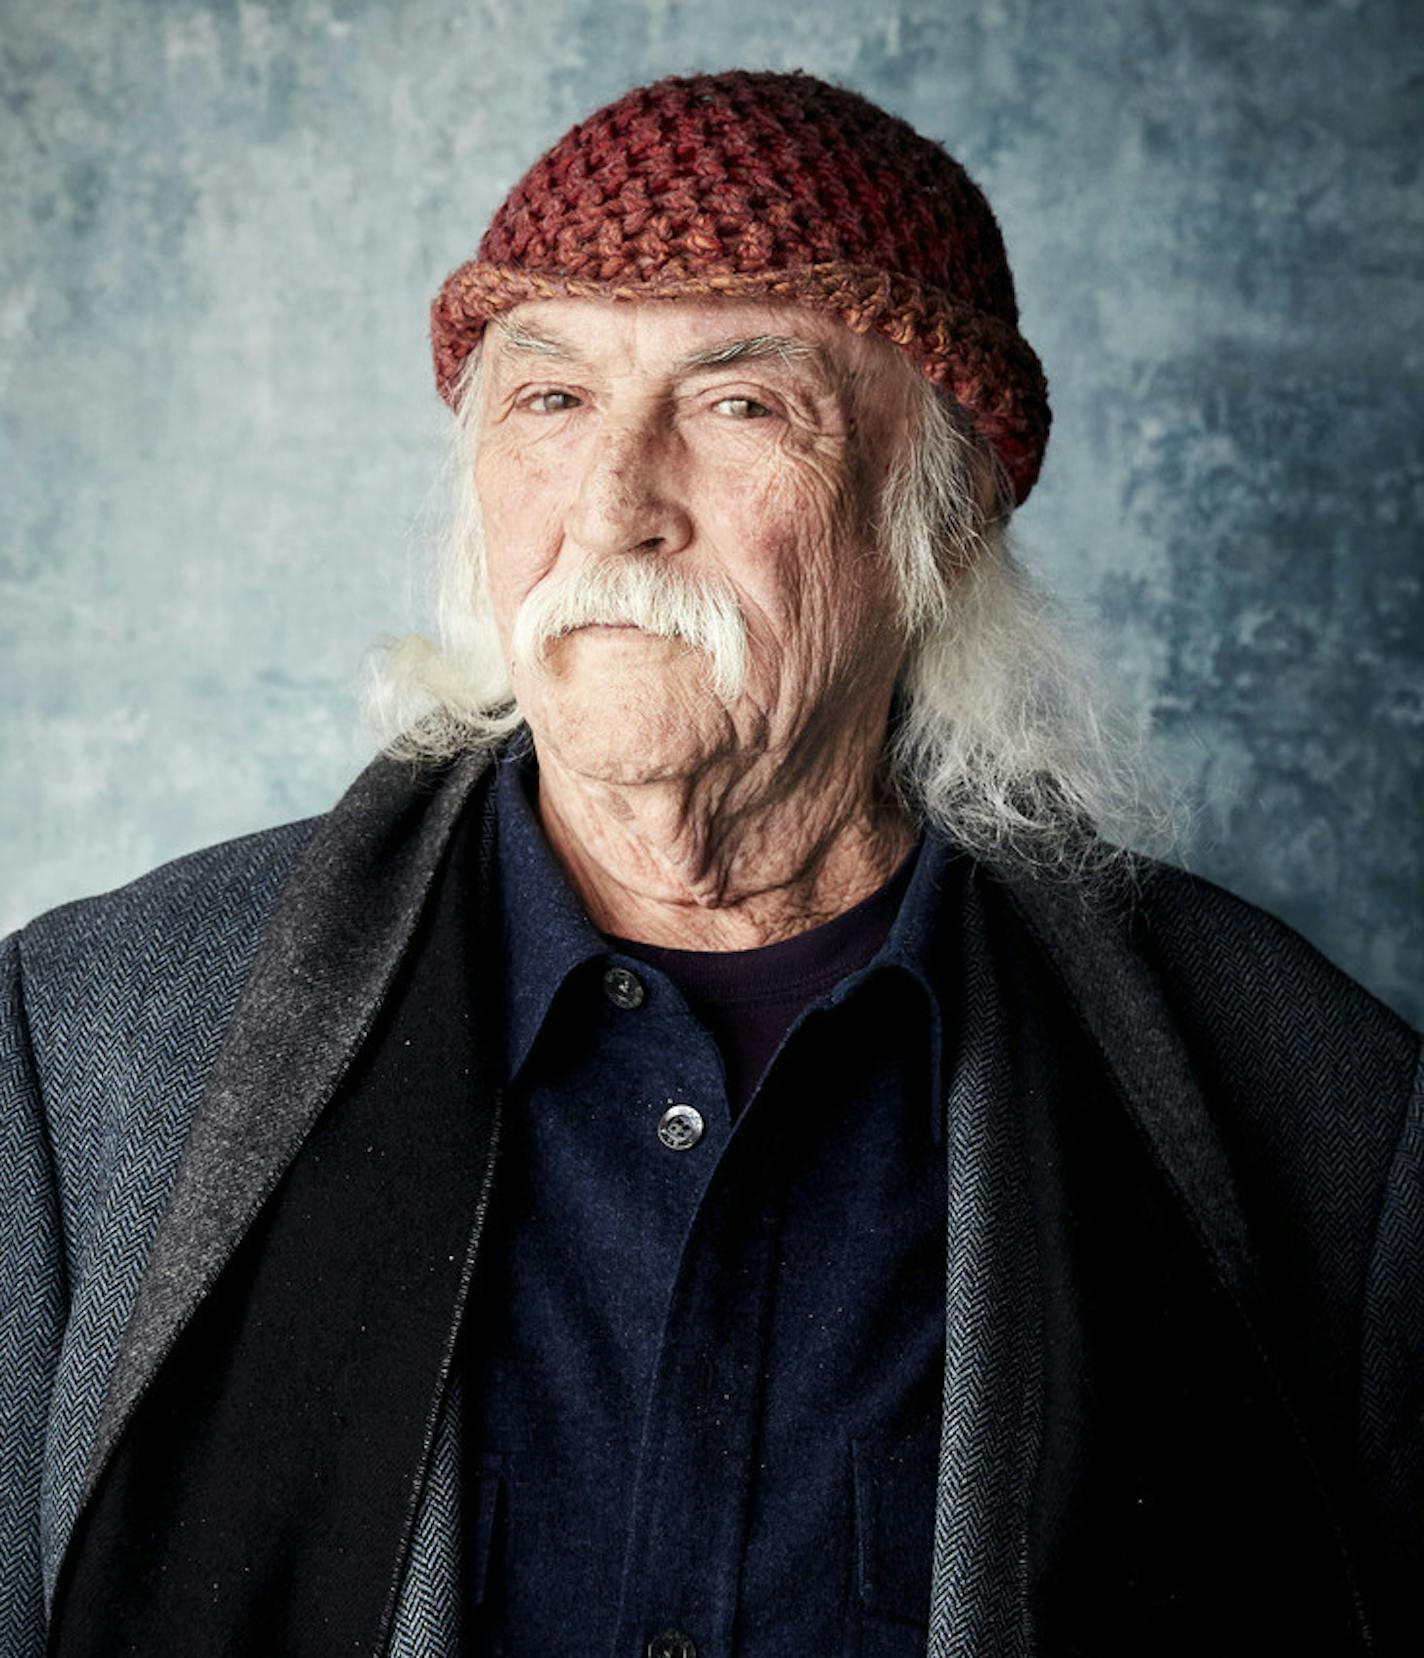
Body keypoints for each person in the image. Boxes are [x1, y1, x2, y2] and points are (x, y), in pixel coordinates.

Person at [1, 68, 1418, 1658]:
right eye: (551, 400)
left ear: (937, 524)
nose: (615, 507)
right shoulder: (89, 1050)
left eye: (742, 403)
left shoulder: (1321, 1118)